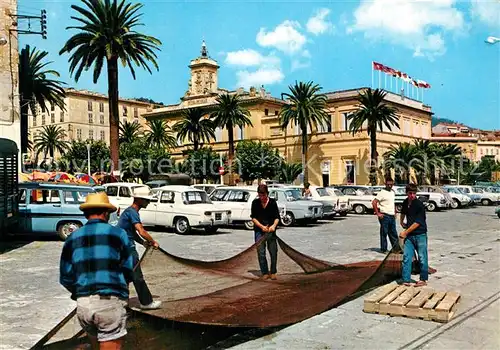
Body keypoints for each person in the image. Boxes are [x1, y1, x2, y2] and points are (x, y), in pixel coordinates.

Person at [60, 192, 134, 350]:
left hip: (83, 306)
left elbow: (65, 277)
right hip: (108, 303)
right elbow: (128, 268)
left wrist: (81, 291)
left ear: (86, 213)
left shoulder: (72, 238)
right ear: (106, 212)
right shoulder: (118, 234)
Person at [118, 187, 162, 310]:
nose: (148, 202)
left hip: (121, 248)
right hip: (127, 249)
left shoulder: (130, 212)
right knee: (137, 276)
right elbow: (141, 230)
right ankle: (146, 302)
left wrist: (142, 242)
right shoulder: (132, 212)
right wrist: (152, 242)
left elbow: (132, 232)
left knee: (125, 275)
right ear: (139, 200)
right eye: (146, 200)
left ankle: (122, 301)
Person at [399, 183, 429, 287]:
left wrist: (405, 232)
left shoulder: (418, 204)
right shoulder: (405, 202)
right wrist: (401, 221)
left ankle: (423, 279)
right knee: (407, 257)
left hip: (420, 234)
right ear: (406, 193)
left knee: (422, 257)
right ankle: (406, 280)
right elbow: (403, 211)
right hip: (410, 236)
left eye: (414, 193)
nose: (412, 195)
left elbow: (418, 222)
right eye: (410, 193)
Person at [250, 184, 280, 280]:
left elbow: (277, 218)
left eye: (264, 195)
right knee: (261, 252)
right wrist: (262, 227)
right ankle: (265, 272)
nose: (262, 197)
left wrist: (273, 226)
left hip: (271, 230)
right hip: (259, 230)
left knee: (273, 251)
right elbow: (253, 218)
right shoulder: (255, 203)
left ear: (267, 194)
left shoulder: (272, 203)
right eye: (260, 195)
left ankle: (273, 271)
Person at [372, 177, 399, 253]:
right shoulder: (382, 193)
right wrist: (378, 213)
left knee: (393, 233)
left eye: (391, 184)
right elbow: (374, 202)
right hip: (384, 216)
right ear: (385, 184)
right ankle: (384, 249)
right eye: (388, 184)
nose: (390, 186)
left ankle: (396, 249)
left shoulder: (392, 192)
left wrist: (395, 212)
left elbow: (392, 203)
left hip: (391, 215)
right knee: (384, 232)